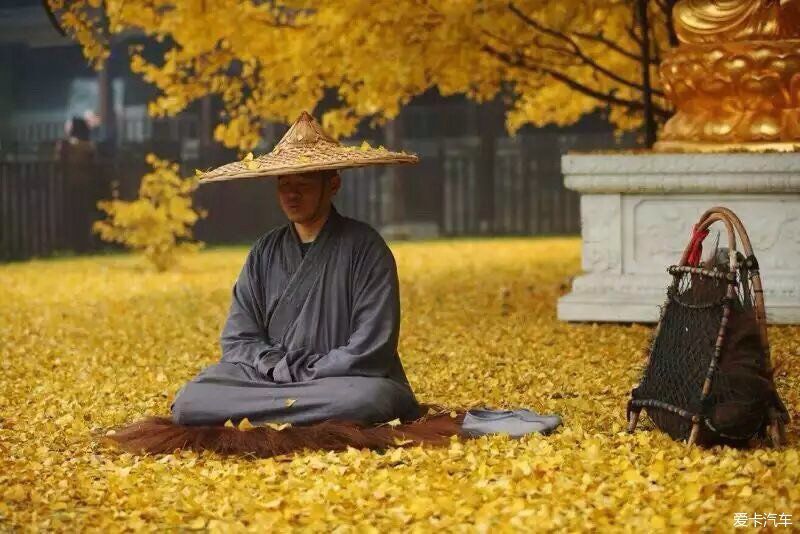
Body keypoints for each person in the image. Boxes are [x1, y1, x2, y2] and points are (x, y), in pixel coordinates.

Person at [170, 111, 422, 427]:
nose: (291, 194)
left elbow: (371, 347)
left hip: (341, 381)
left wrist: (307, 372)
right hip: (270, 379)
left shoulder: (366, 248)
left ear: (333, 184)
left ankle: (265, 413)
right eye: (284, 183)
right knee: (192, 400)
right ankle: (294, 411)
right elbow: (238, 341)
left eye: (302, 183)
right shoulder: (264, 252)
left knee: (365, 400)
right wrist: (277, 368)